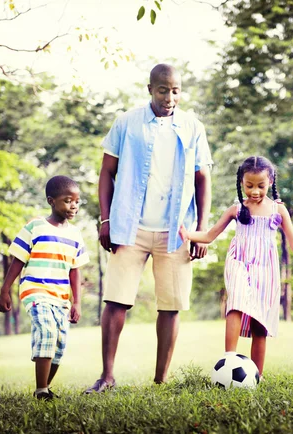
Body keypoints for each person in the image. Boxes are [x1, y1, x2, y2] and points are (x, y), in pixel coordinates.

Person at [85, 64, 213, 393]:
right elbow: (106, 173)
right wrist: (106, 219)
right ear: (150, 89)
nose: (169, 97)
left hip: (177, 231)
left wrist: (201, 229)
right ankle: (107, 376)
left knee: (171, 305)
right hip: (129, 227)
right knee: (116, 301)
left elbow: (203, 179)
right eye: (162, 90)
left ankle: (160, 380)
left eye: (175, 90)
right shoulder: (127, 123)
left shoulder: (192, 126)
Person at [179, 156, 293, 377]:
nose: (254, 191)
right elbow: (209, 235)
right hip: (239, 262)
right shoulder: (236, 209)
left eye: (260, 186)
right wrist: (187, 234)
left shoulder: (278, 211)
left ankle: (257, 376)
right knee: (236, 303)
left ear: (270, 181)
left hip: (266, 268)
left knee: (259, 323)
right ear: (241, 182)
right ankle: (229, 360)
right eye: (249, 185)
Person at [0, 175, 89, 400]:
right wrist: (5, 289)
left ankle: (45, 388)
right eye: (68, 200)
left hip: (60, 298)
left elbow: (75, 270)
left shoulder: (76, 235)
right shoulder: (35, 226)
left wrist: (76, 301)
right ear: (51, 201)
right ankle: (41, 391)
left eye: (77, 201)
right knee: (46, 331)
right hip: (35, 291)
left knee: (59, 343)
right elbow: (18, 259)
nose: (74, 206)